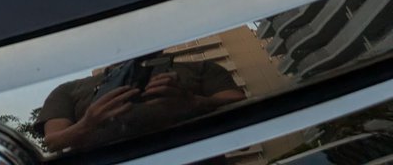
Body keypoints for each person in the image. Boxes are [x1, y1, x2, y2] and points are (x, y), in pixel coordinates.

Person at [38, 51, 245, 153]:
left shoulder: (204, 69)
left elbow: (241, 109)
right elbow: (54, 141)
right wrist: (88, 124)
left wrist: (194, 103)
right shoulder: (67, 90)